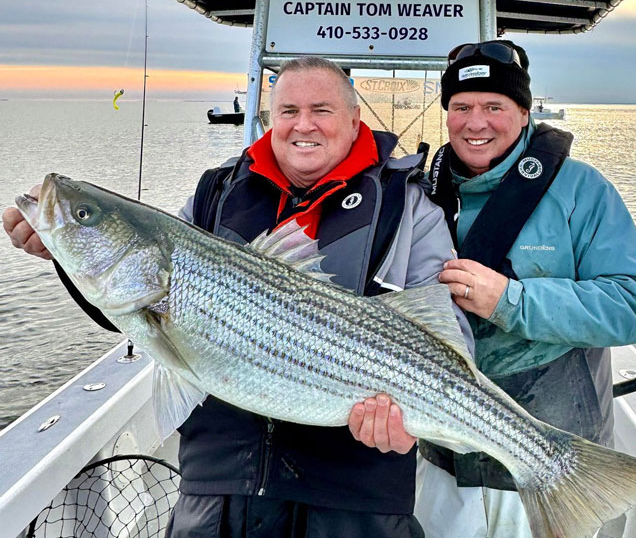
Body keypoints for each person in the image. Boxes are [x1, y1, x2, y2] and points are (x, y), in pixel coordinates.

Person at [4, 56, 473, 538]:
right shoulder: (217, 190)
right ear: (270, 118)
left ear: (356, 120)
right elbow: (128, 303)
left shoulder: (408, 204)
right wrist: (64, 252)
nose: (303, 124)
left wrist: (411, 415)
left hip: (356, 499)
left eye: (322, 110)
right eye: (287, 110)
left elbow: (448, 336)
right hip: (218, 488)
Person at [410, 40, 636, 537]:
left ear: (525, 112)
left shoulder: (581, 189)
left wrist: (512, 301)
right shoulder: (420, 193)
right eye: (460, 107)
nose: (475, 123)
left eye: (494, 107)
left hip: (555, 462)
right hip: (441, 462)